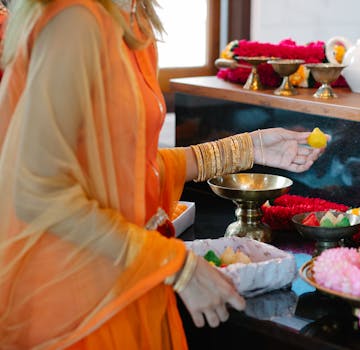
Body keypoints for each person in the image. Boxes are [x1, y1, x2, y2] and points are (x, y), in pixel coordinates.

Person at [0, 0, 327, 349]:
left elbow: (129, 168)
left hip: (119, 279)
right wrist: (177, 265)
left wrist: (249, 149)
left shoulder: (133, 19)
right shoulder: (77, 17)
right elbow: (36, 189)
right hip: (73, 304)